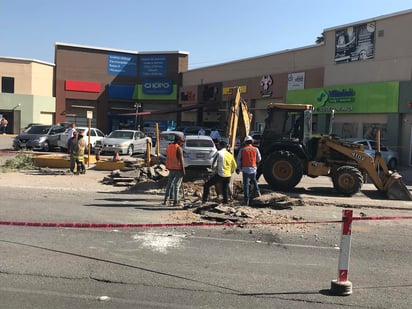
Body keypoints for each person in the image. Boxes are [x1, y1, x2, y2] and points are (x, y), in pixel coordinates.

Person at [202, 140, 237, 204]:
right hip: (228, 175)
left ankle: (205, 199)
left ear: (220, 146)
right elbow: (234, 166)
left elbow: (213, 165)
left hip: (220, 174)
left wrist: (213, 171)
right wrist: (230, 172)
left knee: (206, 185)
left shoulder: (219, 153)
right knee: (225, 188)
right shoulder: (230, 155)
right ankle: (225, 202)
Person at [236, 135, 261, 206]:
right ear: (251, 142)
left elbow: (238, 160)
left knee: (246, 185)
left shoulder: (242, 150)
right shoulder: (256, 149)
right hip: (253, 168)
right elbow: (259, 159)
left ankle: (246, 200)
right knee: (254, 181)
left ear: (245, 142)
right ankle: (258, 193)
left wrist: (238, 168)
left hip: (245, 169)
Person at [163, 135, 186, 206]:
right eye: (182, 141)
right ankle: (176, 201)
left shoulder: (169, 146)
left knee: (169, 184)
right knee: (176, 185)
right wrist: (183, 170)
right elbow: (181, 161)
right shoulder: (179, 148)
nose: (183, 143)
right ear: (178, 141)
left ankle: (166, 200)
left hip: (171, 168)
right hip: (178, 169)